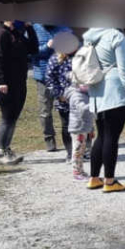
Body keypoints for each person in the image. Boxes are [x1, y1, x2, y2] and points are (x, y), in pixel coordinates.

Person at [81, 26, 125, 193]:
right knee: (111, 138)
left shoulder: (89, 36)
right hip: (114, 90)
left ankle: (94, 178)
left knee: (102, 135)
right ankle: (109, 180)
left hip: (96, 91)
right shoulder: (116, 36)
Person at [0, 20, 39, 165]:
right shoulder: (1, 34)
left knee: (13, 117)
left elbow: (33, 49)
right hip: (4, 83)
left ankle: (7, 149)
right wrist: (1, 81)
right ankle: (1, 153)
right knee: (8, 116)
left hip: (18, 82)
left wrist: (30, 29)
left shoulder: (16, 34)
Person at [32, 23, 72, 152]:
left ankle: (70, 140)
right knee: (45, 111)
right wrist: (47, 47)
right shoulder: (34, 29)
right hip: (42, 76)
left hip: (62, 78)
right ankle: (49, 140)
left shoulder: (64, 28)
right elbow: (29, 52)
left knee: (65, 110)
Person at [45, 32, 80, 162]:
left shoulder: (81, 57)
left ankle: (84, 150)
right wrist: (59, 95)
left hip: (81, 97)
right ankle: (70, 152)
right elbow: (49, 79)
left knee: (84, 125)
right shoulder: (55, 59)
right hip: (64, 99)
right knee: (66, 125)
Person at [65, 79, 95, 181]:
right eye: (85, 84)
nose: (88, 85)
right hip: (78, 128)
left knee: (81, 150)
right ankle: (77, 172)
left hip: (83, 126)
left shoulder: (84, 94)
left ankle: (80, 170)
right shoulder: (76, 95)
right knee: (77, 151)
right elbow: (82, 109)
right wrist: (94, 105)